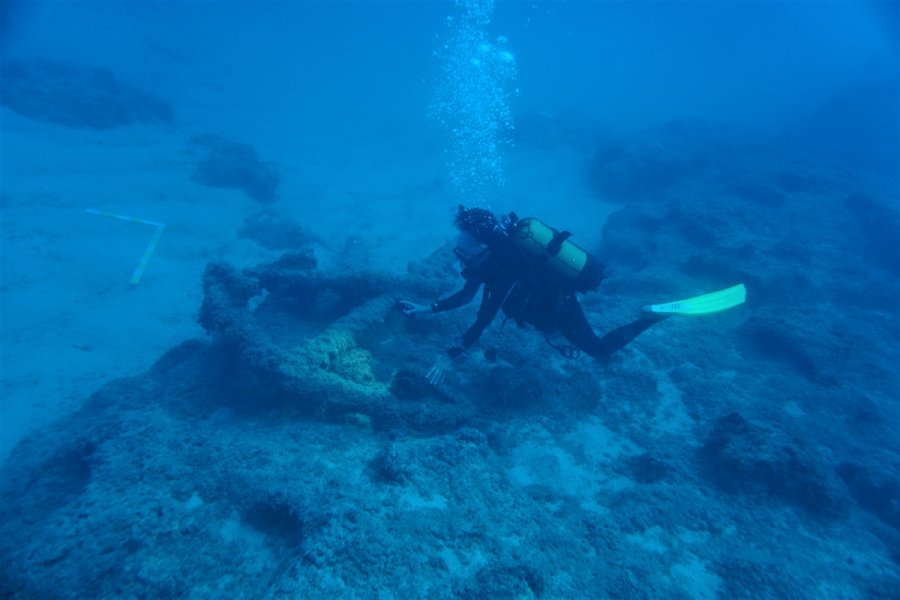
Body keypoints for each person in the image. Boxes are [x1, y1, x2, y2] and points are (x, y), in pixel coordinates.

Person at [396, 206, 670, 382]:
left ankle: (652, 318)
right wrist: (426, 308)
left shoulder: (505, 265)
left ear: (480, 239)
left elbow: (484, 318)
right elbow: (465, 297)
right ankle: (556, 332)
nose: (460, 245)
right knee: (549, 329)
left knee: (598, 350)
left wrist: (450, 355)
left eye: (466, 238)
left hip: (559, 305)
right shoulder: (493, 258)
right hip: (541, 306)